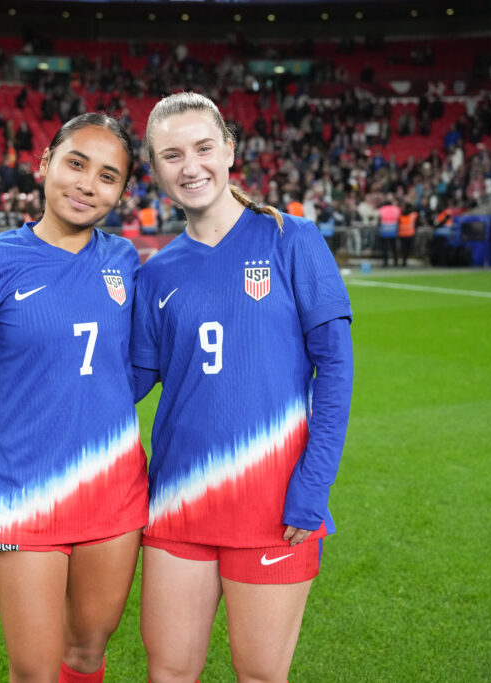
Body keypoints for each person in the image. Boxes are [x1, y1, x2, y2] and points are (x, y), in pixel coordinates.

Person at [132, 92, 353, 682]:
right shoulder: (155, 273)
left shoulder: (294, 239)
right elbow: (125, 384)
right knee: (169, 673)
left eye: (204, 147)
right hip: (177, 504)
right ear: (155, 170)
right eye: (171, 155)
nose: (191, 166)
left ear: (229, 150)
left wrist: (313, 484)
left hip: (274, 505)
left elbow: (335, 370)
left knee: (259, 676)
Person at [0, 113, 148, 682]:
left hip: (115, 490)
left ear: (122, 192)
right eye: (75, 164)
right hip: (27, 494)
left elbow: (132, 367)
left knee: (85, 653)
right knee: (34, 670)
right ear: (44, 166)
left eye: (108, 176)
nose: (87, 184)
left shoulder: (125, 261)